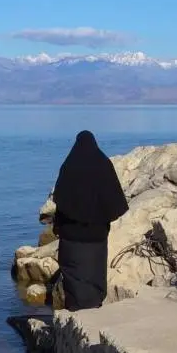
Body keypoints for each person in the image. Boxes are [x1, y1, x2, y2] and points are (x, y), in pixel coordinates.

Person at [52, 130, 129, 311]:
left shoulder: (69, 166)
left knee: (74, 274)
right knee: (94, 271)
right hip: (97, 235)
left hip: (71, 235)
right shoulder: (103, 164)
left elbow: (61, 201)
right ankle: (95, 305)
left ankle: (76, 308)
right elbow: (114, 200)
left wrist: (58, 226)